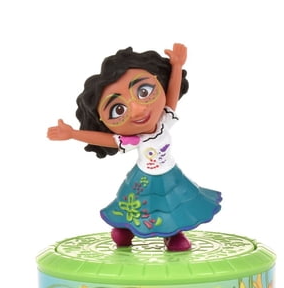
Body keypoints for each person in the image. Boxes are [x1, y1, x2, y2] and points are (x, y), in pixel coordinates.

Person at [47, 43, 221, 251]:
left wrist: (176, 66)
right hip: (144, 179)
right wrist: (73, 134)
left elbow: (172, 96)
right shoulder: (134, 139)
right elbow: (108, 140)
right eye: (118, 109)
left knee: (173, 204)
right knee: (137, 205)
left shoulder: (164, 121)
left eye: (144, 91)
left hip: (170, 175)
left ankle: (173, 234)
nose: (138, 110)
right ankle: (125, 229)